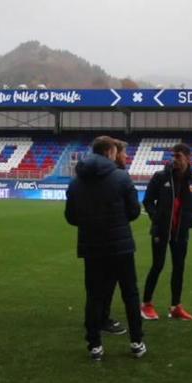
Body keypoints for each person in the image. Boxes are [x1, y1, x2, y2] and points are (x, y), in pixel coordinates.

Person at [65, 136, 146, 360]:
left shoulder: (76, 181)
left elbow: (71, 217)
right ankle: (137, 342)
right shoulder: (121, 178)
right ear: (110, 151)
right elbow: (134, 212)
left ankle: (94, 346)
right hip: (120, 246)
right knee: (130, 293)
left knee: (94, 296)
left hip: (92, 246)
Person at [140, 143, 192, 321]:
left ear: (188, 158)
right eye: (173, 156)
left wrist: (190, 221)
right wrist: (157, 218)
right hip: (161, 230)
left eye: (178, 156)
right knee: (157, 266)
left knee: (179, 268)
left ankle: (176, 307)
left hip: (181, 232)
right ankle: (146, 304)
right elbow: (147, 201)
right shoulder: (161, 177)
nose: (174, 160)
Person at [99, 139, 131, 336]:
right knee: (112, 282)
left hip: (91, 239)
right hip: (114, 239)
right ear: (113, 154)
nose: (126, 156)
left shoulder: (86, 176)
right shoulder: (119, 178)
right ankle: (103, 319)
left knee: (95, 282)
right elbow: (133, 210)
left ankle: (95, 319)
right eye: (124, 153)